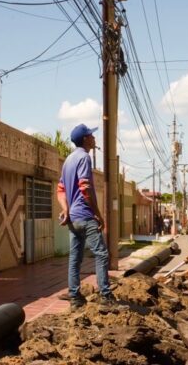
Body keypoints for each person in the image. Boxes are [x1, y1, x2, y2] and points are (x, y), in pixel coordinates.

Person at [57, 124, 114, 310]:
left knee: (75, 258)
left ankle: (75, 297)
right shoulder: (84, 157)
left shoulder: (68, 160)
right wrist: (97, 214)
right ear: (85, 139)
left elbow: (60, 190)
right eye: (91, 135)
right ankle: (106, 296)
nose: (94, 138)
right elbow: (85, 187)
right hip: (86, 215)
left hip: (73, 219)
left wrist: (66, 209)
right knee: (101, 254)